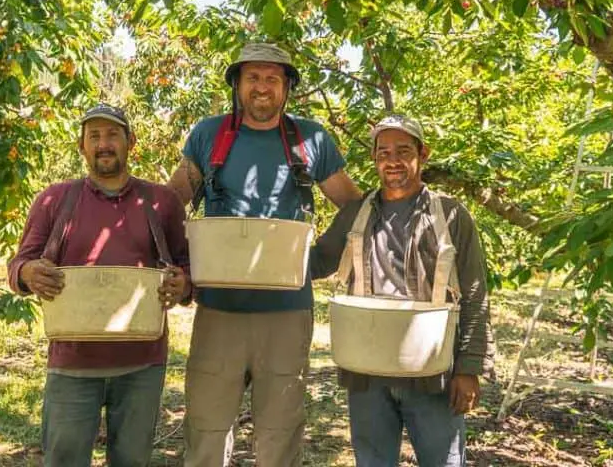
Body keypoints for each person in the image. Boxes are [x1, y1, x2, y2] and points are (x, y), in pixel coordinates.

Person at [167, 42, 362, 467]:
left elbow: (354, 204)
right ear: (236, 84)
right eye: (252, 77)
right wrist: (184, 267)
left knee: (279, 433)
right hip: (219, 310)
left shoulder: (310, 138)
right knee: (206, 429)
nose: (262, 87)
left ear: (287, 88)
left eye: (273, 78)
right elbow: (171, 202)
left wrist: (318, 261)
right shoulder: (209, 135)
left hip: (286, 314)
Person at [7, 102, 192, 467]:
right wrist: (29, 274)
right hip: (73, 361)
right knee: (65, 458)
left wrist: (182, 284)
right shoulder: (55, 199)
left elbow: (187, 267)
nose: (103, 144)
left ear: (130, 142)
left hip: (142, 363)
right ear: (82, 146)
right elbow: (19, 263)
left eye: (112, 135)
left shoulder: (161, 202)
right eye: (94, 136)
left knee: (131, 459)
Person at [309, 113, 495, 467]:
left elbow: (474, 293)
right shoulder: (356, 214)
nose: (392, 161)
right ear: (375, 158)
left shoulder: (451, 216)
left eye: (403, 151)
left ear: (422, 154)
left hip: (431, 371)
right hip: (367, 371)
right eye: (383, 153)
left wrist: (468, 369)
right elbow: (317, 263)